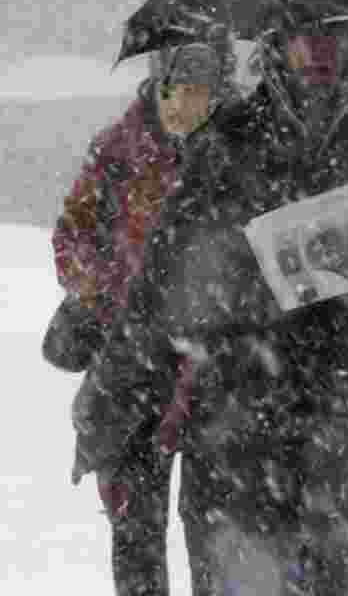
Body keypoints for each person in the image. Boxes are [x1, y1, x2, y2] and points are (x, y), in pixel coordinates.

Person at [72, 20, 348, 596]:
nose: (322, 51)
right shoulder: (227, 145)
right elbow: (161, 295)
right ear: (275, 46)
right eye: (306, 35)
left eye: (337, 35)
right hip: (241, 448)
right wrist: (110, 402)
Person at [47, 40, 234, 596]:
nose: (185, 107)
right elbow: (70, 239)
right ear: (158, 84)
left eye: (200, 94)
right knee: (135, 537)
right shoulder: (116, 151)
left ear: (219, 94)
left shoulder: (235, 154)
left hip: (215, 373)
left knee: (217, 535)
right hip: (129, 369)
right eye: (176, 91)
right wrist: (121, 287)